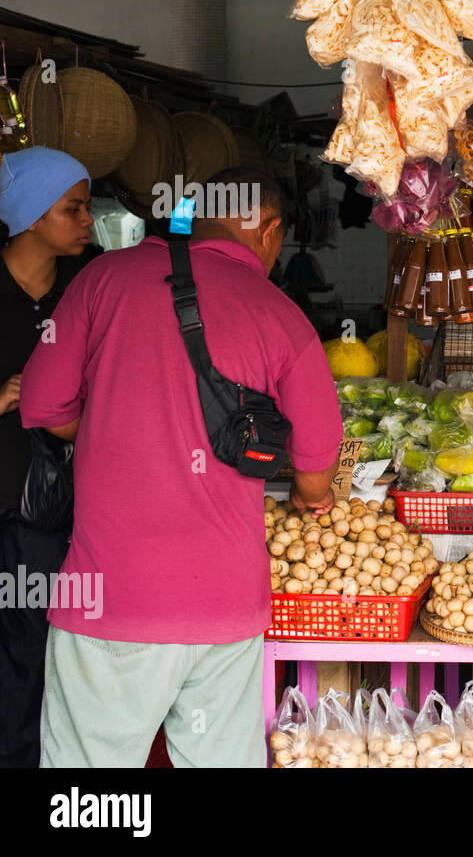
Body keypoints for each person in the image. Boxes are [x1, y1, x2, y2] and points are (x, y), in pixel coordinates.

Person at [21, 165, 343, 768]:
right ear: (270, 230)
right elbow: (318, 457)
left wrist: (112, 434)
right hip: (225, 606)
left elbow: (41, 405)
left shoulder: (101, 278)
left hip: (107, 601)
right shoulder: (280, 313)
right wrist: (310, 494)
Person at [0, 147, 94, 768]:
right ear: (32, 215)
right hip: (7, 494)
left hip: (65, 509)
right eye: (73, 208)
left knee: (44, 651)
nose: (88, 220)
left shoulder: (88, 291)